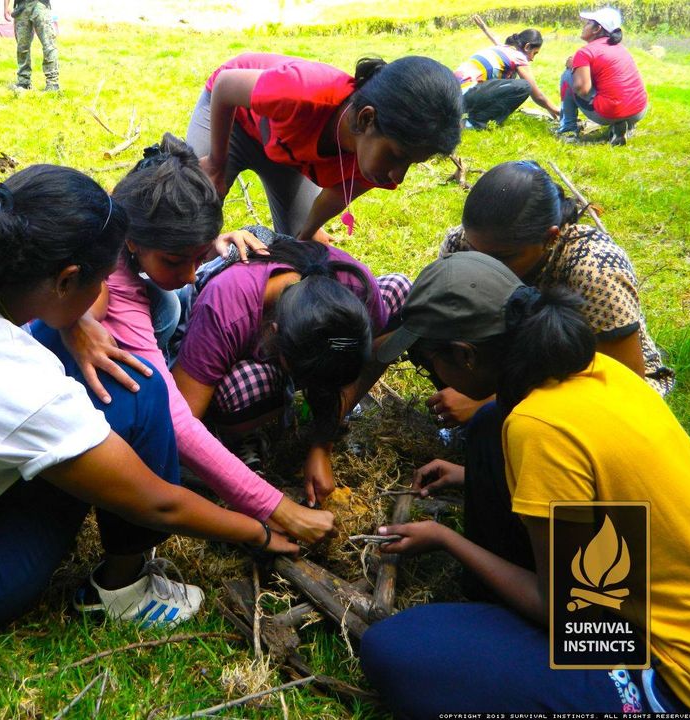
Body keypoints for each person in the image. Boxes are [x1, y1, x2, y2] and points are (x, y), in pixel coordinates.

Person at [0, 165, 299, 635]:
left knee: (123, 375)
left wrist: (75, 323)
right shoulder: (15, 384)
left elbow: (63, 318)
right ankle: (125, 592)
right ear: (65, 279)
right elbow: (158, 505)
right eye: (100, 283)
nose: (105, 297)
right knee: (140, 388)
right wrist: (259, 531)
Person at [360, 252, 690, 714]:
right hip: (650, 592)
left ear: (465, 355)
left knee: (398, 646)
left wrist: (447, 540)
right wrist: (472, 476)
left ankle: (634, 700)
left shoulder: (539, 428)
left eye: (428, 363)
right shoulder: (603, 372)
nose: (432, 376)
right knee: (486, 426)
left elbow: (566, 615)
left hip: (675, 672)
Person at [31, 135, 337, 541]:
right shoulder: (113, 292)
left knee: (171, 301)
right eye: (177, 260)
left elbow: (173, 258)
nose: (192, 273)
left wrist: (212, 245)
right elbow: (177, 422)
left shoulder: (122, 224)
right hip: (58, 428)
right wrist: (277, 508)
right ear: (132, 241)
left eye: (197, 258)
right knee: (151, 391)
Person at [171, 227, 410, 506]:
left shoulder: (356, 284)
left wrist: (322, 445)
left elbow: (346, 372)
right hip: (229, 353)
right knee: (238, 394)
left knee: (400, 291)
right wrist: (266, 503)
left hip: (300, 344)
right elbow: (181, 425)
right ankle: (237, 435)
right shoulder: (224, 307)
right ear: (272, 334)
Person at [426, 160, 672, 429]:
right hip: (518, 362)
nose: (485, 266)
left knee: (508, 424)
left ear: (550, 237)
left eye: (503, 257)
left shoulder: (595, 268)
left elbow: (622, 382)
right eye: (475, 251)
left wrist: (488, 401)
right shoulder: (461, 244)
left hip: (590, 384)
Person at [188, 53, 462, 243]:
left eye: (410, 164)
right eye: (398, 157)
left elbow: (336, 196)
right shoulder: (302, 92)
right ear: (367, 118)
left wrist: (306, 234)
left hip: (285, 149)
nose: (397, 177)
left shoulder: (378, 160)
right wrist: (216, 161)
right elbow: (226, 87)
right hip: (234, 115)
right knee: (188, 210)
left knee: (298, 247)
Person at [558, 7, 647, 146]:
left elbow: (582, 89)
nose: (583, 26)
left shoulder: (585, 52)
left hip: (609, 112)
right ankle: (625, 126)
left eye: (587, 23)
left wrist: (575, 66)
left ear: (597, 29)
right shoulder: (620, 48)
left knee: (567, 76)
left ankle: (568, 130)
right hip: (639, 110)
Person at [454, 29, 560, 129]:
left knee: (511, 79)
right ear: (527, 47)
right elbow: (536, 95)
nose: (532, 59)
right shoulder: (518, 56)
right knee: (524, 86)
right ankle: (472, 123)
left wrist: (548, 107)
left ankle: (472, 116)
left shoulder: (501, 48)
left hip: (454, 95)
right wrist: (558, 111)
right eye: (534, 53)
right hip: (466, 93)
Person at [4, 0, 58, 91]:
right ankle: (24, 82)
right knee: (22, 46)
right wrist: (6, 7)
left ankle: (52, 84)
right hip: (21, 7)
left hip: (40, 4)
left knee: (48, 44)